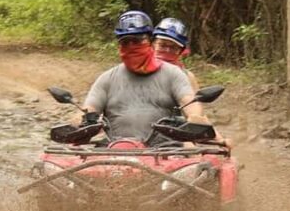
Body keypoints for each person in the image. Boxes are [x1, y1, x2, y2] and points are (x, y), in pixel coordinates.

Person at [83, 10, 214, 142]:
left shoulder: (175, 74)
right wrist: (79, 120)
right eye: (125, 42)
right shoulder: (107, 78)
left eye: (137, 41)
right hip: (115, 150)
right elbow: (89, 110)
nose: (131, 46)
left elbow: (189, 102)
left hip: (166, 152)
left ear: (150, 41)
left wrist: (195, 116)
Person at [153, 17, 200, 92]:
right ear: (153, 44)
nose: (167, 50)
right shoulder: (138, 71)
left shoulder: (187, 77)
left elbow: (196, 102)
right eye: (162, 45)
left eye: (174, 47)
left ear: (181, 51)